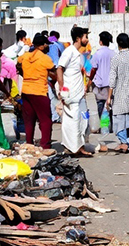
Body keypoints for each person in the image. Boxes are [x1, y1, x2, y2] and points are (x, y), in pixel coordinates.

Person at [56, 26, 92, 157]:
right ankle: (73, 148)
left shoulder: (79, 55)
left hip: (79, 94)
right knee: (72, 121)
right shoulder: (69, 51)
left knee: (82, 121)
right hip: (70, 93)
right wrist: (62, 88)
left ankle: (79, 146)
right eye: (85, 37)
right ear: (78, 38)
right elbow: (59, 68)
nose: (87, 39)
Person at [18, 33, 56, 149]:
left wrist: (26, 75)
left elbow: (18, 65)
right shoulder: (45, 58)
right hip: (39, 91)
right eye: (46, 44)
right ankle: (45, 146)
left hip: (26, 91)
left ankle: (29, 144)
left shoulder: (25, 56)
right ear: (42, 46)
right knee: (45, 121)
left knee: (29, 120)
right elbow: (54, 73)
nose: (48, 47)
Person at [88, 31, 115, 145]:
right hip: (110, 85)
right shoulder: (113, 53)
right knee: (109, 106)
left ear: (100, 41)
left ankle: (104, 127)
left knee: (100, 106)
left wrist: (89, 81)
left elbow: (93, 69)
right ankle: (109, 126)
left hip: (99, 85)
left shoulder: (97, 54)